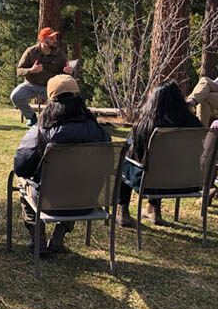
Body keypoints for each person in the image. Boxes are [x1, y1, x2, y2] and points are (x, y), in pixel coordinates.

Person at [13, 74, 110, 253]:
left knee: (21, 181)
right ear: (79, 99)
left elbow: (21, 166)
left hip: (48, 201)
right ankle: (59, 235)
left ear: (50, 100)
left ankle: (37, 238)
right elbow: (107, 165)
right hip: (86, 201)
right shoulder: (99, 132)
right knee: (78, 181)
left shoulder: (41, 132)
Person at [116, 80, 202, 227]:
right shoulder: (194, 125)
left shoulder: (145, 126)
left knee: (125, 162)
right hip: (186, 183)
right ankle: (154, 209)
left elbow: (135, 154)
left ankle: (122, 210)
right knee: (162, 165)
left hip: (151, 183)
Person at [11, 27, 73, 126]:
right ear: (44, 40)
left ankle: (53, 122)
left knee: (60, 102)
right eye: (52, 38)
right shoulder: (31, 52)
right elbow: (19, 71)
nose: (55, 41)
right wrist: (31, 70)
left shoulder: (59, 54)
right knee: (16, 96)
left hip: (50, 86)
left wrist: (69, 71)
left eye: (55, 38)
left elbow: (67, 70)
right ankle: (32, 117)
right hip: (30, 85)